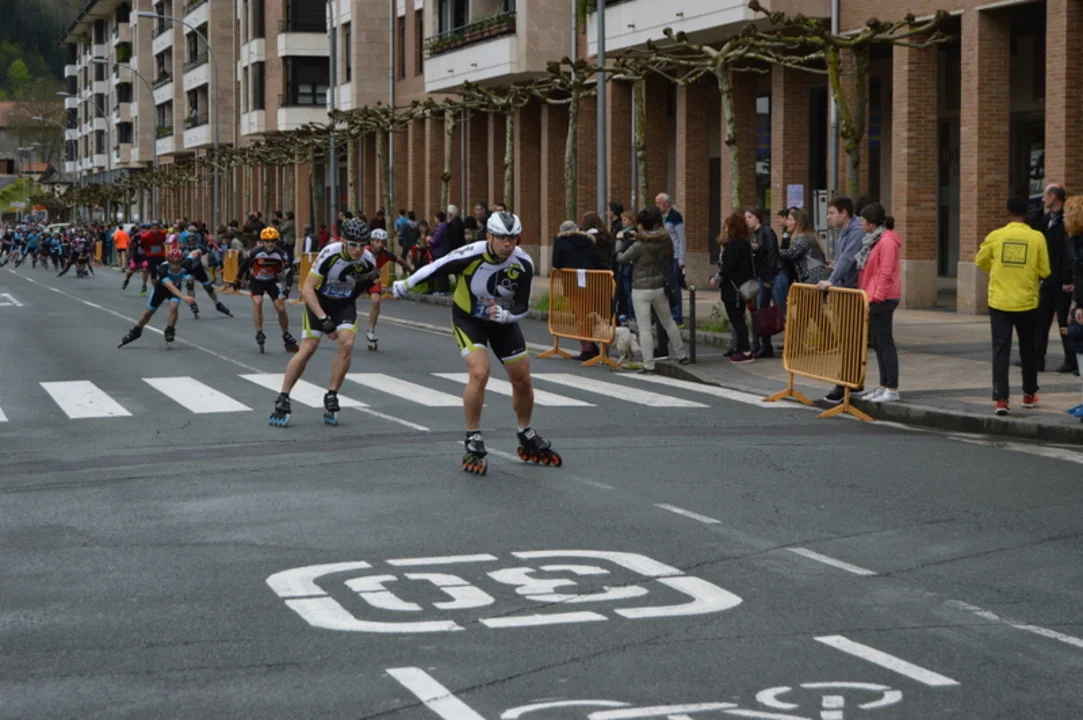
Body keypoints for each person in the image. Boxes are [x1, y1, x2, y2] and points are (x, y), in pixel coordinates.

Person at [391, 211, 561, 475]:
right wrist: (406, 283)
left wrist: (507, 316)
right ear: (489, 236)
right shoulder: (471, 254)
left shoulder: (523, 263)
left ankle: (525, 431)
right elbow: (437, 266)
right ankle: (473, 434)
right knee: (480, 372)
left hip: (502, 321)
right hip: (469, 319)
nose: (508, 244)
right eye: (502, 238)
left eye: (513, 238)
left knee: (522, 378)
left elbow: (522, 305)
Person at [268, 218, 380, 428]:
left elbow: (363, 281)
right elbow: (307, 288)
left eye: (362, 245)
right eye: (353, 245)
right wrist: (323, 318)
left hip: (344, 303)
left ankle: (331, 394)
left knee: (347, 343)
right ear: (343, 240)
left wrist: (365, 283)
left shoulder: (368, 260)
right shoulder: (329, 253)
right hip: (319, 302)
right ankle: (283, 396)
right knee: (308, 348)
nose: (357, 250)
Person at [976, 195, 1051, 415]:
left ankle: (1001, 399)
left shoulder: (996, 236)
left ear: (1007, 212)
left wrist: (997, 268)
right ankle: (1029, 394)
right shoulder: (1036, 237)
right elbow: (1045, 270)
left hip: (999, 301)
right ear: (1026, 213)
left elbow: (980, 261)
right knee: (1028, 349)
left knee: (1001, 350)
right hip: (1027, 301)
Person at [615, 205, 689, 373]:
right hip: (659, 286)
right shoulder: (665, 240)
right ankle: (682, 354)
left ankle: (649, 364)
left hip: (641, 288)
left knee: (645, 329)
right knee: (668, 321)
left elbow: (622, 258)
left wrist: (619, 241)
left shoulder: (640, 245)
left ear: (642, 224)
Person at [853, 203, 902, 403]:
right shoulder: (876, 240)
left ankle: (892, 388)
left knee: (885, 344)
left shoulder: (887, 241)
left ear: (872, 224)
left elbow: (886, 272)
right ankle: (883, 386)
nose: (861, 224)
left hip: (883, 298)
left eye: (863, 221)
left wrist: (877, 296)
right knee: (879, 345)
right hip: (874, 296)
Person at [118, 246, 196, 350]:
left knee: (174, 306)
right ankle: (136, 331)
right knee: (148, 313)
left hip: (175, 288)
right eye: (173, 263)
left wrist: (199, 252)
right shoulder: (162, 269)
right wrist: (184, 297)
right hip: (161, 289)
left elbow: (195, 253)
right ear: (169, 262)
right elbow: (170, 286)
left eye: (178, 263)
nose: (175, 266)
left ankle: (170, 330)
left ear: (182, 261)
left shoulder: (186, 264)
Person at [236, 226, 299, 353]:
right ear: (262, 242)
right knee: (258, 303)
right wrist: (237, 279)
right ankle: (259, 331)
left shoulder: (281, 254)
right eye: (267, 241)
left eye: (273, 241)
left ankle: (286, 333)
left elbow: (289, 273)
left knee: (281, 308)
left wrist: (287, 289)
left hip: (272, 281)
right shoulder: (255, 252)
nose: (270, 244)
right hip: (257, 281)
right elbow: (243, 265)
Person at [710, 212, 756, 364]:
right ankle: (742, 348)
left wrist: (716, 279)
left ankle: (745, 350)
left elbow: (727, 268)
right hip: (742, 287)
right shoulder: (745, 243)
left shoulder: (733, 245)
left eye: (727, 226)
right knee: (739, 318)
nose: (725, 229)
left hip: (733, 289)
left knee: (736, 320)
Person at [363, 228, 413, 350]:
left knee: (376, 301)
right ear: (371, 241)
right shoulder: (363, 252)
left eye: (382, 242)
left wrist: (412, 272)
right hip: (357, 279)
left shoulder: (385, 254)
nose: (380, 244)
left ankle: (371, 331)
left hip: (373, 280)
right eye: (377, 241)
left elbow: (400, 261)